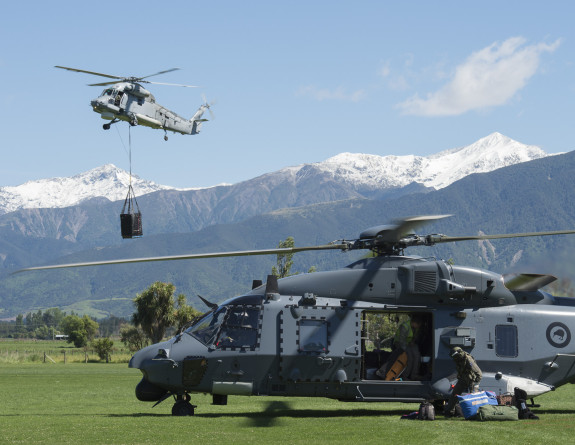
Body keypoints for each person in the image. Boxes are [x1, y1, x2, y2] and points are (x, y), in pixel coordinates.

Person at [444, 347, 483, 417]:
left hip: (472, 381)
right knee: (454, 395)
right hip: (463, 379)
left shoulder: (468, 359)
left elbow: (479, 372)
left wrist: (477, 384)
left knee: (473, 398)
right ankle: (449, 412)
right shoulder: (458, 359)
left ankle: (475, 414)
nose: (454, 358)